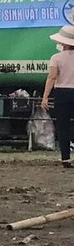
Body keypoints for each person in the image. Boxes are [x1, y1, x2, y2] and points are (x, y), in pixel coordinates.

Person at [45, 26, 74, 168]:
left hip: (62, 93)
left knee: (63, 126)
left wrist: (45, 97)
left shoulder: (56, 58)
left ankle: (65, 158)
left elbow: (52, 77)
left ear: (64, 43)